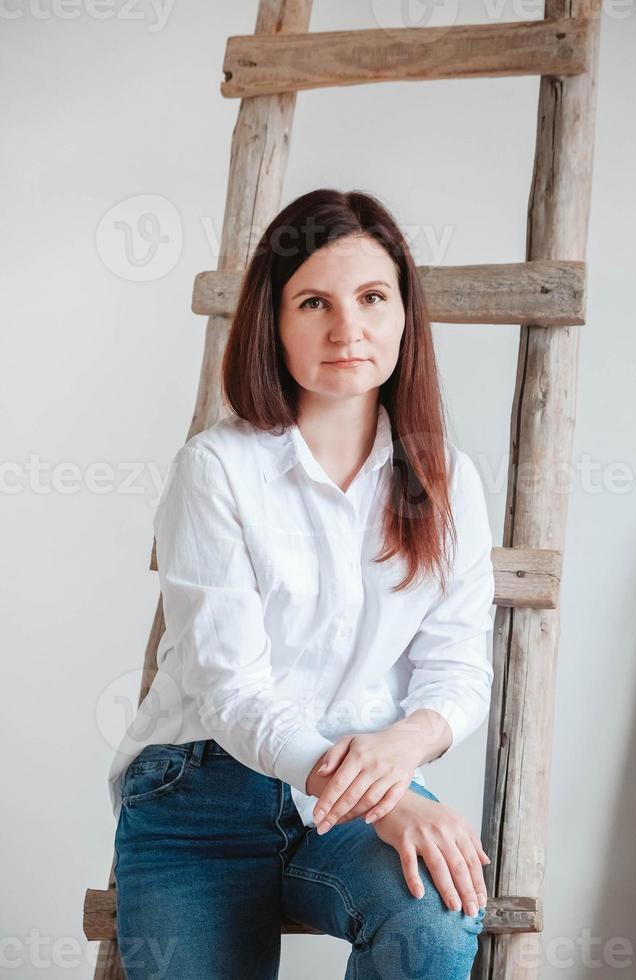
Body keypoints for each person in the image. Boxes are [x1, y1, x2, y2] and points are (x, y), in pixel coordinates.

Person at [110, 188, 495, 979]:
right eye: (313, 301)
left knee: (433, 923)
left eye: (371, 298)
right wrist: (388, 799)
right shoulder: (215, 469)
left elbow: (456, 669)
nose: (346, 328)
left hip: (361, 800)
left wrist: (402, 751)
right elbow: (232, 690)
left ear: (402, 316)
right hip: (201, 793)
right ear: (273, 323)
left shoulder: (449, 479)